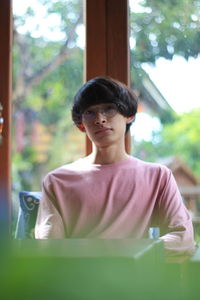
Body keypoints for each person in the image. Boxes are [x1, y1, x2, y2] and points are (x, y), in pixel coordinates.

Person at [35, 77, 195, 255]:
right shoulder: (57, 180)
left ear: (129, 115)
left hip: (133, 277)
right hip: (77, 277)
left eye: (109, 109)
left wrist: (134, 253)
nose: (100, 119)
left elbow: (183, 237)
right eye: (90, 112)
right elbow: (49, 248)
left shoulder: (157, 176)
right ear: (81, 125)